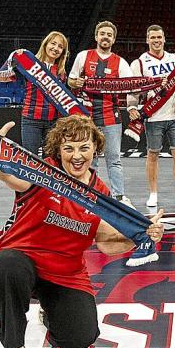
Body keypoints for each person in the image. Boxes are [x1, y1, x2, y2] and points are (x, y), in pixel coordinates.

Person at [0, 115, 165, 348]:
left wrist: (143, 234)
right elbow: (7, 174)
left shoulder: (99, 193)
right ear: (57, 150)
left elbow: (107, 242)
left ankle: (49, 312)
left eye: (84, 148)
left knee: (79, 340)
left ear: (95, 149)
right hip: (20, 261)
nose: (76, 155)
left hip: (65, 274)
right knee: (7, 266)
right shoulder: (40, 173)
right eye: (68, 148)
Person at [127, 25, 175, 210]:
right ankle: (153, 194)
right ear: (147, 40)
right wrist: (131, 107)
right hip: (153, 115)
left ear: (164, 38)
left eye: (159, 37)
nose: (156, 40)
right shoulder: (139, 62)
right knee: (153, 154)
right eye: (152, 37)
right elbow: (133, 88)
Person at [68, 21, 135, 208]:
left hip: (110, 116)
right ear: (96, 36)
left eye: (109, 35)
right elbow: (71, 80)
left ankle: (119, 197)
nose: (105, 37)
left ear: (113, 39)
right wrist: (76, 83)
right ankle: (87, 193)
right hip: (86, 117)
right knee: (90, 158)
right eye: (102, 33)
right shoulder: (83, 56)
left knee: (114, 158)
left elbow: (131, 85)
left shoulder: (120, 62)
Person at [0, 31, 69, 155]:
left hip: (53, 121)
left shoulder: (61, 72)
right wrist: (18, 55)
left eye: (60, 47)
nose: (56, 48)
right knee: (31, 159)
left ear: (63, 52)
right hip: (31, 119)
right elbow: (7, 74)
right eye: (53, 43)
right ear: (45, 44)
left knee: (50, 160)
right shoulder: (30, 64)